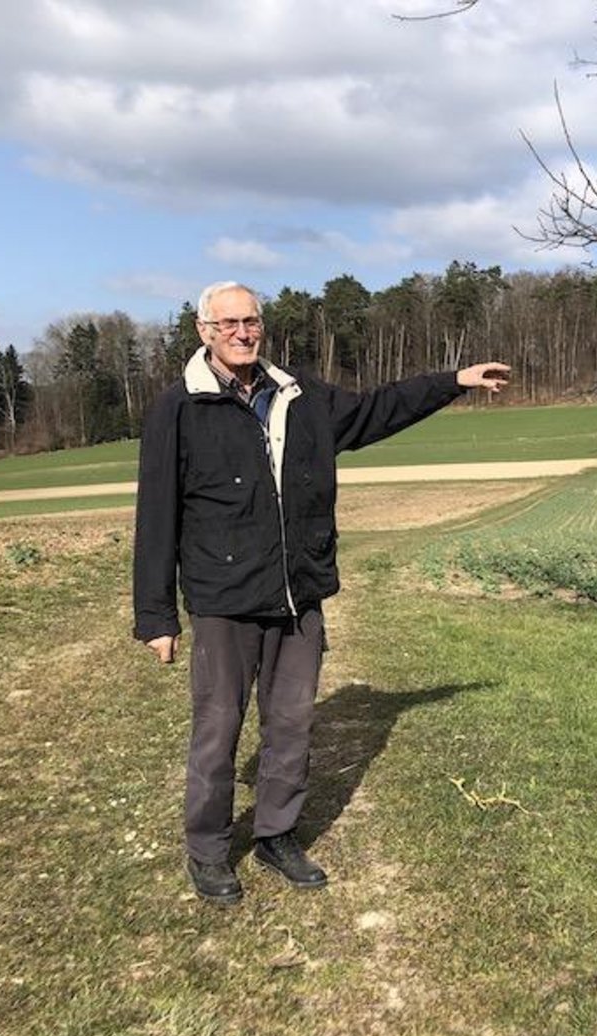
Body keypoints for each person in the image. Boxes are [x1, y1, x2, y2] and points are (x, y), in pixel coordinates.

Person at [133, 280, 508, 905]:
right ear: (203, 331)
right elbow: (156, 513)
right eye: (228, 324)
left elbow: (374, 410)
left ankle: (276, 834)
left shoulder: (297, 395)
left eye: (251, 321)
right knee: (218, 728)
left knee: (291, 724)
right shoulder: (179, 408)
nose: (242, 333)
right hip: (224, 597)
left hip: (298, 592)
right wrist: (156, 616)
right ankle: (208, 849)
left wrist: (454, 382)